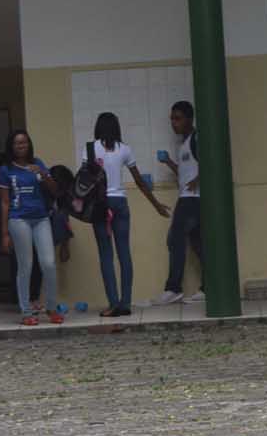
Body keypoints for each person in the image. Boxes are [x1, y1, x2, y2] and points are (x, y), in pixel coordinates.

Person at [84, 112, 155, 318]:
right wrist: (156, 203)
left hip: (100, 205)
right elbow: (140, 180)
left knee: (106, 255)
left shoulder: (90, 148)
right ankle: (126, 303)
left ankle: (113, 303)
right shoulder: (125, 149)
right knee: (124, 253)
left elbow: (84, 179)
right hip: (120, 203)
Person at [0, 130, 64, 326]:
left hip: (41, 218)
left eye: (24, 142)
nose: (21, 146)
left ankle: (52, 308)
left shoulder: (38, 163)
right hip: (19, 220)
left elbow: (55, 190)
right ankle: (26, 311)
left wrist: (42, 174)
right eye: (17, 143)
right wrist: (4, 233)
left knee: (49, 263)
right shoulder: (5, 169)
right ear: (11, 146)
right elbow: (4, 202)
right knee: (25, 265)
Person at [149, 101, 203, 307]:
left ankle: (173, 289)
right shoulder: (185, 143)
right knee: (198, 244)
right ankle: (209, 287)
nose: (174, 123)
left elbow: (211, 162)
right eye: (172, 118)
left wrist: (198, 180)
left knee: (175, 239)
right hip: (188, 197)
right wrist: (169, 162)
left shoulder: (197, 139)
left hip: (192, 199)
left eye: (178, 118)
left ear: (189, 119)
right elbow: (186, 171)